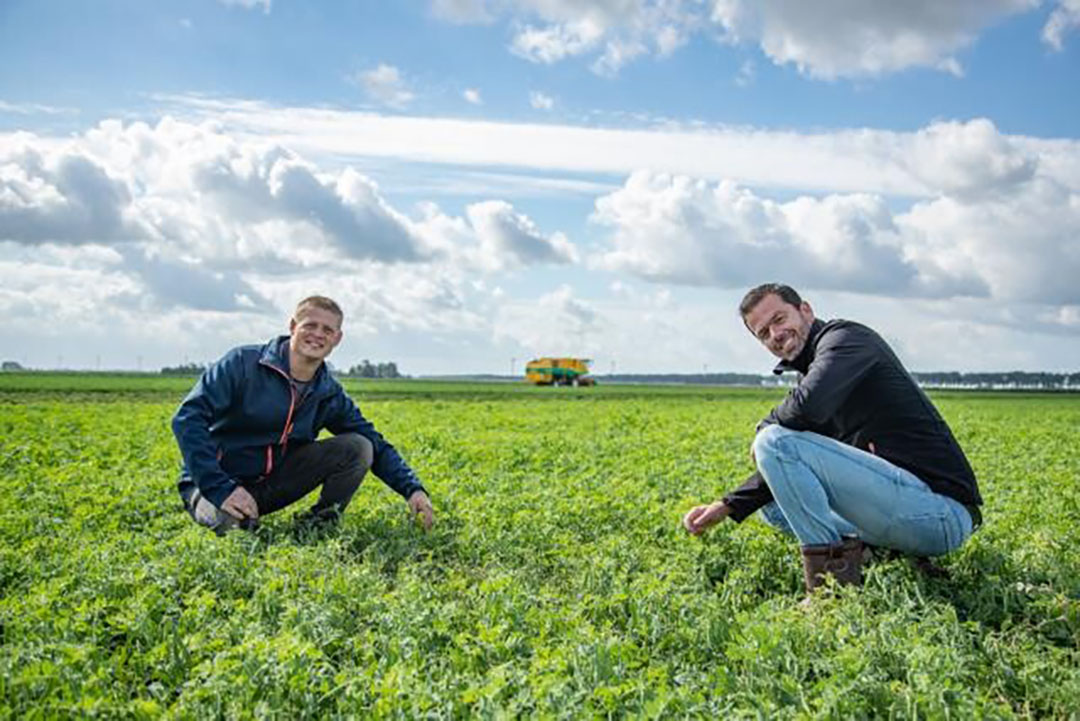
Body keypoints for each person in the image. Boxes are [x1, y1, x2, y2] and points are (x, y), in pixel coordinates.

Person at [682, 283, 982, 594]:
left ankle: (831, 588)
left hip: (940, 512)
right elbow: (792, 451)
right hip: (901, 509)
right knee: (774, 505)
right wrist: (726, 505)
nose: (775, 334)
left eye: (779, 319)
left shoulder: (846, 341)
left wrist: (764, 427)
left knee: (773, 441)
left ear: (806, 310)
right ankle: (880, 554)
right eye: (763, 333)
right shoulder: (815, 370)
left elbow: (807, 406)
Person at [172, 295, 434, 535]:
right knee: (233, 529)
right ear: (292, 326)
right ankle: (230, 511)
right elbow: (188, 419)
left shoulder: (327, 391)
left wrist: (412, 489)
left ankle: (317, 526)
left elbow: (374, 443)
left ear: (337, 339)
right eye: (310, 325)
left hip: (270, 485)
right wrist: (221, 488)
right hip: (216, 484)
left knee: (359, 446)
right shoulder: (242, 363)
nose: (318, 335)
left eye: (327, 330)